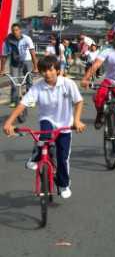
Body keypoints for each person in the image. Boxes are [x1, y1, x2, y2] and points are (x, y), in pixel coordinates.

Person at [3, 56, 86, 199]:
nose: (47, 73)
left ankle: (63, 184)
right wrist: (9, 122)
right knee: (44, 138)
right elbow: (22, 104)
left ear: (58, 71)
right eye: (43, 71)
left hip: (65, 125)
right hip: (47, 120)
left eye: (50, 69)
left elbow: (79, 102)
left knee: (63, 158)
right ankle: (35, 157)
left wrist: (77, 121)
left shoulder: (68, 84)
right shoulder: (38, 87)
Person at [1, 23, 39, 107]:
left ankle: (30, 100)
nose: (15, 32)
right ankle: (14, 100)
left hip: (26, 60)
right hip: (14, 62)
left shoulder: (26, 39)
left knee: (29, 80)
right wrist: (2, 69)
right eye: (13, 30)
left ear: (20, 30)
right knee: (14, 81)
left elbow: (32, 53)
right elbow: (4, 55)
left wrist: (35, 67)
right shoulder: (7, 40)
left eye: (17, 30)